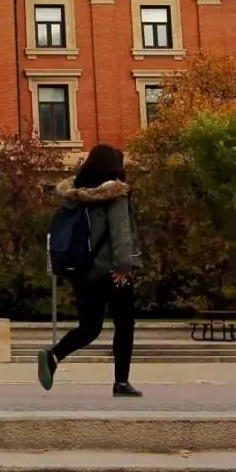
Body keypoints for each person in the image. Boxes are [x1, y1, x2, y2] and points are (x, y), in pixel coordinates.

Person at [37, 143, 143, 398]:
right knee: (125, 324)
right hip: (113, 271)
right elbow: (120, 232)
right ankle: (121, 382)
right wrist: (123, 266)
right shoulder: (115, 194)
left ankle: (54, 355)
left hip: (83, 269)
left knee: (90, 326)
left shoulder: (76, 196)